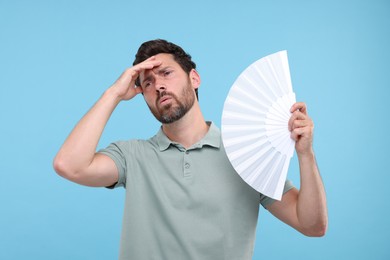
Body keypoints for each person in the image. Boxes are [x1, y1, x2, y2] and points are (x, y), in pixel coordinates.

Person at [53, 39, 328, 260]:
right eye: (147, 83)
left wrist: (306, 154)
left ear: (194, 78)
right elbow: (69, 165)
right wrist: (112, 94)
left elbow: (312, 225)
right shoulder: (131, 156)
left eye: (166, 73)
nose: (158, 85)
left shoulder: (246, 153)